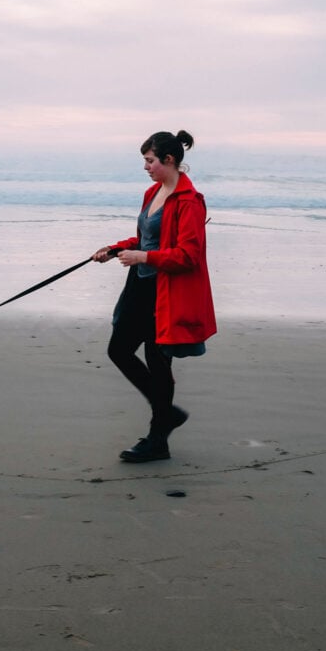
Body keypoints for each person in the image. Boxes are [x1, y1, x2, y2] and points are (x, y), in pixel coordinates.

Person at [92, 130, 216, 463]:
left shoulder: (189, 202)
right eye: (145, 161)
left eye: (150, 161)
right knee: (118, 349)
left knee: (158, 363)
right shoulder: (152, 192)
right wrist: (116, 248)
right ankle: (167, 412)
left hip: (168, 293)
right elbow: (145, 237)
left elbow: (188, 255)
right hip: (140, 286)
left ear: (169, 160)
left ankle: (158, 438)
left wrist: (144, 258)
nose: (146, 167)